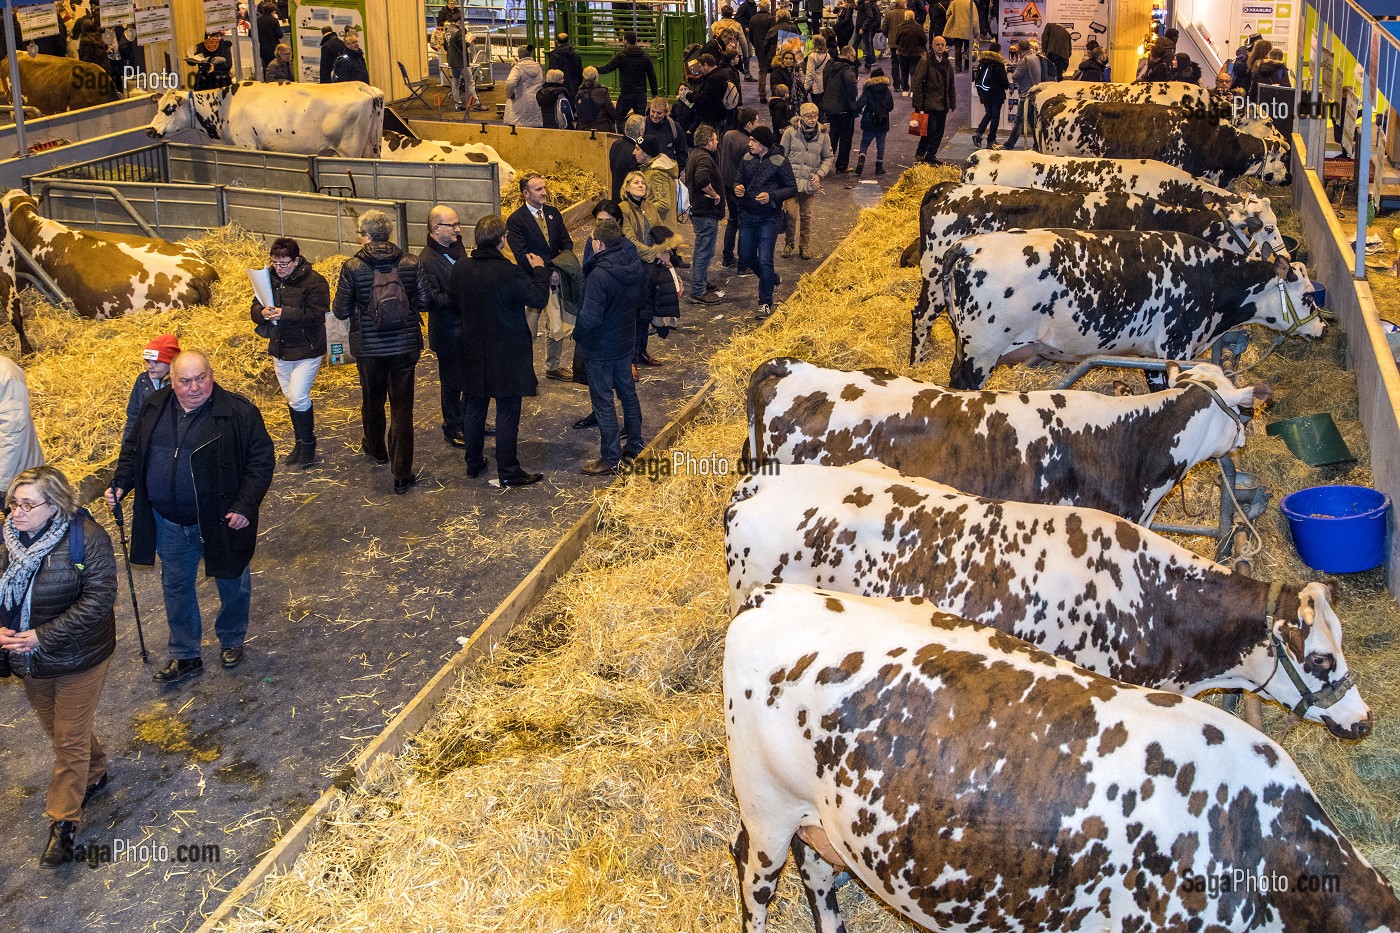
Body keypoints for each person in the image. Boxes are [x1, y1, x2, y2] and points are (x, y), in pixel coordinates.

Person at [107, 351, 274, 682]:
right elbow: (133, 450)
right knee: (176, 587)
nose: (195, 387)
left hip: (220, 520)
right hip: (168, 521)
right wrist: (121, 482)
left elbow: (261, 461)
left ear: (212, 374)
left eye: (201, 378)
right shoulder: (154, 407)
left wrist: (245, 505)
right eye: (185, 381)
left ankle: (231, 639)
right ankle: (185, 655)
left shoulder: (238, 413)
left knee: (232, 580)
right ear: (171, 381)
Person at [1, 465, 117, 868]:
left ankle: (63, 822)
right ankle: (95, 769)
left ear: (54, 505)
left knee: (67, 739)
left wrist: (42, 635)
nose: (17, 512)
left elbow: (99, 599)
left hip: (79, 656)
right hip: (30, 659)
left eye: (28, 505)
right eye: (13, 504)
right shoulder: (6, 540)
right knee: (61, 728)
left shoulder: (87, 539)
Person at [451, 215, 549, 488]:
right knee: (507, 411)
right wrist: (539, 270)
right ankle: (508, 470)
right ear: (501, 240)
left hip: (472, 349)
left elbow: (454, 301)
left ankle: (473, 463)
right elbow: (538, 298)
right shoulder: (509, 272)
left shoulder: (461, 269)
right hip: (507, 353)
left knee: (474, 406)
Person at [333, 210, 425, 494]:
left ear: (366, 236)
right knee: (402, 408)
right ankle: (401, 473)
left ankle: (376, 449)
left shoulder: (352, 267)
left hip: (369, 348)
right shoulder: (411, 262)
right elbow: (424, 301)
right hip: (405, 346)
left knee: (372, 400)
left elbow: (340, 310)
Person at [574, 218, 646, 476]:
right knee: (628, 393)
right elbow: (641, 299)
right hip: (624, 341)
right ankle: (635, 444)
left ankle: (611, 457)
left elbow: (590, 318)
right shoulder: (632, 263)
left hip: (601, 347)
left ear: (600, 244)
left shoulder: (599, 274)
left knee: (603, 401)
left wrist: (577, 334)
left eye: (593, 239)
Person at [252, 237, 328, 468]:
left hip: (308, 348)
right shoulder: (268, 278)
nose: (279, 267)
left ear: (296, 260)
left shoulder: (315, 281)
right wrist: (262, 313)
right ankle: (299, 443)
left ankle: (308, 444)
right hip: (281, 347)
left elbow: (318, 312)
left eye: (284, 263)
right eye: (275, 262)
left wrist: (284, 313)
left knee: (298, 396)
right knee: (291, 397)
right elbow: (254, 306)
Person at [506, 175, 575, 380]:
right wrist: (546, 273)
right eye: (538, 189)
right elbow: (521, 255)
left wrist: (559, 268)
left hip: (555, 278)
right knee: (528, 329)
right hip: (531, 282)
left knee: (556, 325)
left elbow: (566, 243)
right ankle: (523, 373)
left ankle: (553, 367)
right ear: (525, 194)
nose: (544, 192)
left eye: (544, 188)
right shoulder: (516, 220)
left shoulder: (554, 213)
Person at [417, 205, 470, 449]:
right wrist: (461, 296)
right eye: (453, 225)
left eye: (458, 224)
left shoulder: (458, 249)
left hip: (467, 328)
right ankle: (453, 426)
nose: (458, 229)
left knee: (470, 378)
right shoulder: (427, 260)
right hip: (448, 331)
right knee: (451, 383)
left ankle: (470, 421)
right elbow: (430, 299)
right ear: (436, 228)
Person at [735, 125, 797, 320]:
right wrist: (738, 188)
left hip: (770, 217)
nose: (749, 143)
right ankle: (771, 279)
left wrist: (771, 196)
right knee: (745, 255)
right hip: (748, 215)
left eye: (753, 141)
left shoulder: (780, 161)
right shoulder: (747, 158)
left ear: (763, 143)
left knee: (765, 258)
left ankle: (765, 302)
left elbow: (791, 188)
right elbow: (738, 179)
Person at [618, 172, 679, 366]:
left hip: (651, 266)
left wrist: (666, 250)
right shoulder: (623, 208)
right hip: (633, 264)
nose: (640, 185)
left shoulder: (650, 206)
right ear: (627, 187)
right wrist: (656, 253)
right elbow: (630, 241)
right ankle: (630, 358)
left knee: (647, 310)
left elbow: (660, 232)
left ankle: (641, 352)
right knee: (634, 313)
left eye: (643, 183)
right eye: (636, 182)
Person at [780, 103, 833, 260]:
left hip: (809, 182)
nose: (812, 119)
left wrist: (819, 175)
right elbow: (781, 155)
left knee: (806, 216)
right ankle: (789, 244)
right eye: (809, 116)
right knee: (790, 215)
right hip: (791, 182)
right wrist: (783, 177)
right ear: (801, 117)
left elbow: (828, 157)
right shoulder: (790, 132)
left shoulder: (823, 135)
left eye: (815, 116)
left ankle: (804, 246)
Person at [685, 124, 726, 303]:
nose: (717, 142)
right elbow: (702, 179)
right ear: (709, 141)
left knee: (702, 248)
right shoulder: (704, 158)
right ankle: (698, 291)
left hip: (698, 210)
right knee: (704, 250)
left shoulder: (695, 154)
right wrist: (715, 195)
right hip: (705, 211)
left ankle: (700, 281)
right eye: (715, 139)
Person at [720, 107, 759, 269]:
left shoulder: (728, 135)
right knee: (745, 225)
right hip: (740, 189)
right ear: (749, 124)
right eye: (757, 121)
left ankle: (727, 257)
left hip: (727, 185)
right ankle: (744, 264)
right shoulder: (747, 143)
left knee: (732, 221)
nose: (758, 124)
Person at [124, 335, 179, 446]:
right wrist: (127, 445)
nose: (150, 366)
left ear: (171, 363)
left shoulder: (179, 384)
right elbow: (134, 415)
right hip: (146, 439)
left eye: (157, 362)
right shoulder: (142, 380)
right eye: (147, 361)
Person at [598, 29, 659, 129]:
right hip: (640, 94)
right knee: (640, 119)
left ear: (625, 41)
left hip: (626, 93)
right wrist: (654, 93)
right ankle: (639, 136)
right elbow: (652, 75)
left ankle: (623, 135)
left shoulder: (621, 56)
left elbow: (607, 68)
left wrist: (594, 69)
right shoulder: (645, 56)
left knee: (619, 117)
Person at [0, 356, 43, 495]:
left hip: (14, 476)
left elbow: (12, 432)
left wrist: (2, 483)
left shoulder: (5, 372)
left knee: (20, 506)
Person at [911, 35, 955, 163]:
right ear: (932, 46)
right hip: (929, 102)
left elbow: (951, 84)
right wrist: (918, 104)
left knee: (940, 131)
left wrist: (952, 102)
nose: (940, 47)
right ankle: (920, 152)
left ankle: (931, 155)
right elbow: (918, 83)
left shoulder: (947, 63)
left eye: (942, 45)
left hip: (943, 102)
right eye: (937, 44)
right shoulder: (926, 61)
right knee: (930, 129)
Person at [1001, 39, 1044, 150]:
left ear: (1019, 49)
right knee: (1032, 121)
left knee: (1019, 121)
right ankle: (1037, 144)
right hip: (1035, 93)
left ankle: (1009, 144)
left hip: (1026, 95)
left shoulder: (1024, 60)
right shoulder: (1035, 57)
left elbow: (1015, 77)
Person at [821, 45, 858, 171]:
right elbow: (852, 88)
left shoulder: (830, 65)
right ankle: (842, 165)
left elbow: (825, 82)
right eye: (853, 56)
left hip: (829, 105)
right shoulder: (848, 69)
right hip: (844, 107)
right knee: (846, 137)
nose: (854, 59)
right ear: (849, 55)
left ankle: (825, 164)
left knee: (833, 134)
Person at [853, 64, 893, 175]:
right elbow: (890, 106)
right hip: (882, 121)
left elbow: (860, 103)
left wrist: (855, 110)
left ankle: (861, 160)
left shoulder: (868, 90)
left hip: (869, 120)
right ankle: (879, 167)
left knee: (865, 142)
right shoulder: (887, 90)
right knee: (880, 144)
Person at [971, 40, 1010, 148]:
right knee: (995, 116)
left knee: (989, 113)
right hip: (996, 94)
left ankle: (978, 133)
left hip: (984, 93)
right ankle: (991, 140)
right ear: (999, 51)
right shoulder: (998, 64)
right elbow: (1004, 83)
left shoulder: (982, 63)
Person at [635, 136, 681, 226]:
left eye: (637, 149)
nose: (634, 152)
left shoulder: (656, 173)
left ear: (646, 153)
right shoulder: (650, 169)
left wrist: (641, 208)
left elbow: (664, 204)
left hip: (660, 227)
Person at [643, 95, 690, 165]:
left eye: (659, 113)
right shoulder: (642, 125)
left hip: (668, 168)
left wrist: (678, 168)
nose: (655, 116)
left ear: (666, 112)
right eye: (653, 112)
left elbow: (683, 152)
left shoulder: (674, 127)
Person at [609, 113, 646, 201]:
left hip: (615, 194)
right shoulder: (636, 152)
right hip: (628, 199)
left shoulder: (615, 144)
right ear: (641, 131)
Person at [505, 45, 544, 127]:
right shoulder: (538, 67)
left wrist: (509, 94)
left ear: (519, 55)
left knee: (519, 128)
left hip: (520, 101)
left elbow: (510, 82)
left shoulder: (517, 68)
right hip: (536, 101)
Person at [690, 54, 731, 129]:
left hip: (711, 117)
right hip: (718, 114)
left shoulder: (713, 78)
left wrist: (690, 96)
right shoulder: (720, 73)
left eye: (700, 67)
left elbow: (704, 98)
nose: (700, 69)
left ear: (705, 65)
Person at [892, 9, 926, 94]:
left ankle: (905, 90)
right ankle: (913, 91)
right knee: (914, 72)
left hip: (903, 53)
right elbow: (924, 40)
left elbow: (896, 40)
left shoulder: (900, 27)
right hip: (916, 54)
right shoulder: (919, 27)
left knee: (904, 72)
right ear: (913, 17)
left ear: (905, 17)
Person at [576, 65, 619, 132]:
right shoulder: (602, 91)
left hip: (583, 128)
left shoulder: (579, 92)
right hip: (602, 127)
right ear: (596, 76)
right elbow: (611, 111)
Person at [748, 0, 776, 99]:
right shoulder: (771, 19)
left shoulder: (753, 18)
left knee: (762, 71)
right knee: (773, 71)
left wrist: (755, 45)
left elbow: (750, 35)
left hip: (759, 47)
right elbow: (773, 34)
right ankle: (774, 92)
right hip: (770, 48)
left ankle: (762, 94)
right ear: (768, 7)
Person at [943, 0, 977, 72]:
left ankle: (958, 67)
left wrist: (952, 22)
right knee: (968, 48)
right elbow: (975, 19)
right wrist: (977, 31)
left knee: (957, 48)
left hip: (957, 28)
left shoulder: (954, 2)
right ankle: (967, 66)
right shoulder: (971, 3)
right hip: (968, 29)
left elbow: (948, 14)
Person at [549, 32, 584, 99]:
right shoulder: (576, 55)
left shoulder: (555, 56)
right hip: (574, 89)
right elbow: (580, 74)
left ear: (557, 42)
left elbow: (553, 75)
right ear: (569, 41)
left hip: (559, 91)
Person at [804, 35, 830, 110]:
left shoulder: (812, 56)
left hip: (815, 85)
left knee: (816, 107)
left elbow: (810, 74)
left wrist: (806, 87)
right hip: (825, 83)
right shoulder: (827, 55)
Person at [854, 0, 880, 71]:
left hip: (864, 29)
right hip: (860, 28)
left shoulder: (866, 3)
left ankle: (868, 66)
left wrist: (863, 28)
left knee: (867, 48)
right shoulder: (861, 3)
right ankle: (856, 63)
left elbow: (870, 17)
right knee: (855, 46)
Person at [256, 2, 281, 75]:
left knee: (266, 67)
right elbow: (279, 35)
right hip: (274, 47)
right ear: (273, 11)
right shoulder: (274, 20)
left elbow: (251, 33)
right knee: (275, 66)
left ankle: (266, 79)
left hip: (262, 47)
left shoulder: (258, 20)